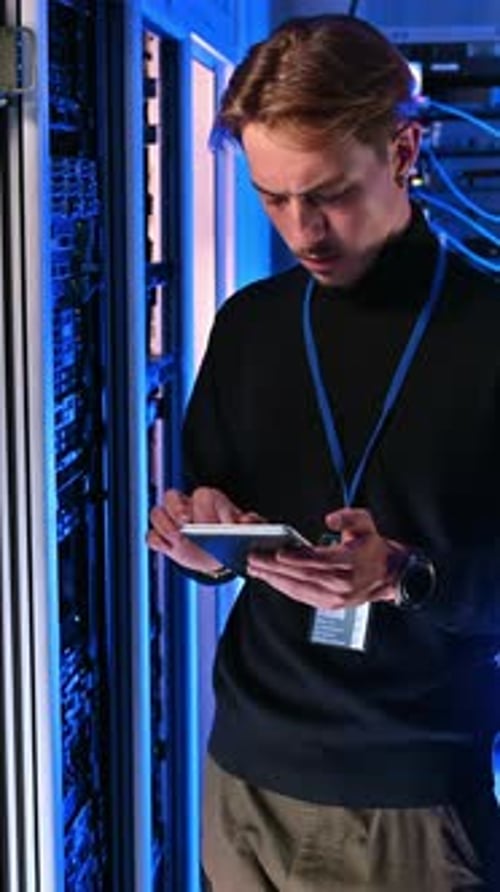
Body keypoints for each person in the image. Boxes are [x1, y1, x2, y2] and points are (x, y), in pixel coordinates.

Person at [148, 14, 500, 891]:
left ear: (404, 148)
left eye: (328, 193)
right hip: (241, 782)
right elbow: (212, 517)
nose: (303, 231)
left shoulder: (490, 331)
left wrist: (407, 575)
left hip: (409, 806)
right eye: (273, 197)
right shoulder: (251, 326)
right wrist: (197, 539)